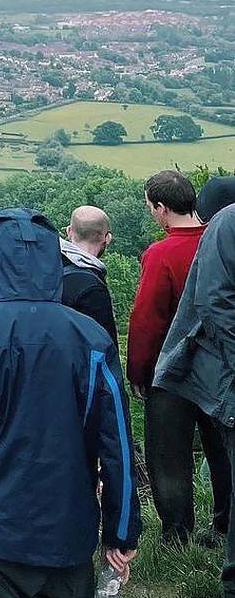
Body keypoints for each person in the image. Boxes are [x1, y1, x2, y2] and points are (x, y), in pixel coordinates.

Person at [0, 209, 141, 598]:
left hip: (1, 524)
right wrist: (123, 528)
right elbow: (118, 443)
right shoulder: (91, 337)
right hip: (71, 523)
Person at [128, 170, 230, 545]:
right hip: (219, 367)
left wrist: (139, 371)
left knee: (169, 456)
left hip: (171, 369)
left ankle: (177, 534)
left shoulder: (161, 253)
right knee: (220, 452)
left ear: (161, 207)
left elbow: (147, 319)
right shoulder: (221, 240)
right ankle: (224, 526)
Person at [154, 203, 235, 598]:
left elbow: (148, 315)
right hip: (222, 375)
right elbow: (217, 304)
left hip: (205, 371)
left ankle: (183, 533)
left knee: (184, 461)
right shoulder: (225, 227)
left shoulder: (169, 250)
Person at [60, 205, 118, 349]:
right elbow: (106, 344)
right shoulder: (93, 287)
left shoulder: (48, 270)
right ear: (108, 238)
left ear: (69, 231)